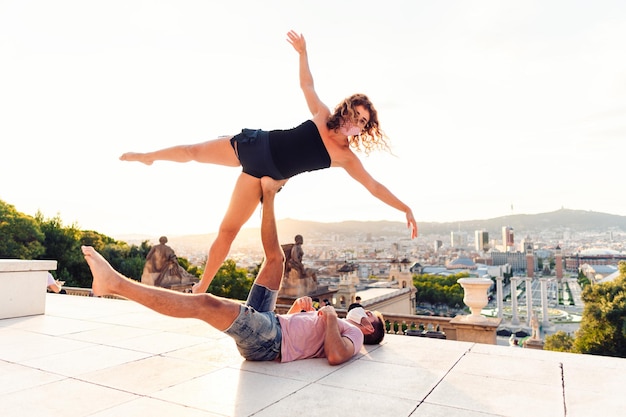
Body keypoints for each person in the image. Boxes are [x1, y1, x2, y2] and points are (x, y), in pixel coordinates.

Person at [119, 30, 417, 294]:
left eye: (364, 122)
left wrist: (405, 208)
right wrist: (303, 53)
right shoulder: (322, 115)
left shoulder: (346, 158)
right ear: (347, 110)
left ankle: (202, 286)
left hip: (266, 174)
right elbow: (307, 85)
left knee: (228, 230)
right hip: (256, 145)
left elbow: (374, 186)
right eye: (356, 114)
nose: (358, 122)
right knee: (193, 151)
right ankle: (148, 157)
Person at [81, 177, 385, 365]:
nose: (365, 312)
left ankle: (116, 284)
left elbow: (335, 355)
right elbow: (306, 337)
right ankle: (270, 194)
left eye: (370, 316)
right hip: (275, 323)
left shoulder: (356, 337)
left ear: (370, 329)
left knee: (205, 304)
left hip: (269, 341)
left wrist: (331, 316)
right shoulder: (342, 325)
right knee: (275, 261)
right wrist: (298, 310)